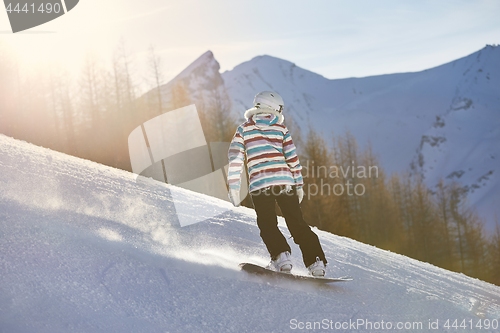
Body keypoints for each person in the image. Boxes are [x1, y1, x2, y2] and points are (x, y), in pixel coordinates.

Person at [227, 91, 328, 277]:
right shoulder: (281, 129)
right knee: (297, 222)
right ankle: (316, 262)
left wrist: (234, 187)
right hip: (285, 182)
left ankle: (282, 258)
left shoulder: (243, 129)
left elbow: (235, 160)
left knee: (268, 224)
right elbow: (293, 159)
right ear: (273, 108)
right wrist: (298, 185)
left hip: (260, 184)